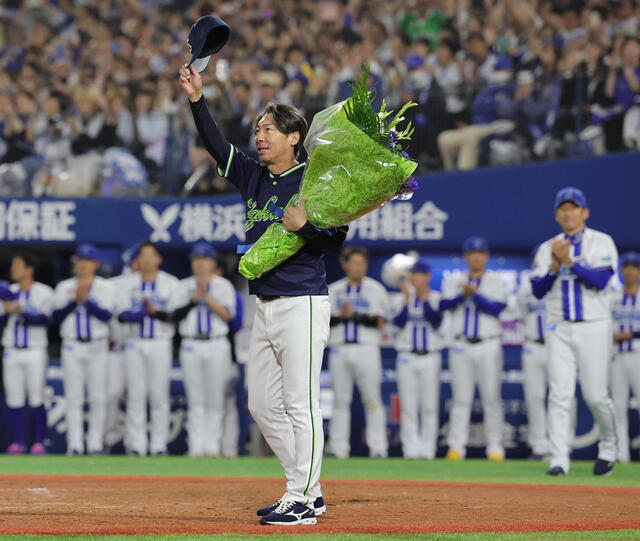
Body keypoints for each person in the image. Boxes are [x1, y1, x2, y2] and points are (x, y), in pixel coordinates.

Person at [179, 62, 347, 526]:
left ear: (295, 137)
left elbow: (336, 239)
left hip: (302, 301)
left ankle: (300, 498)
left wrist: (306, 226)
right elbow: (216, 145)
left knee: (301, 404)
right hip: (265, 305)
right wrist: (197, 99)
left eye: (269, 129)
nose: (259, 136)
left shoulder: (315, 179)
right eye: (257, 129)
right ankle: (308, 488)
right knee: (261, 405)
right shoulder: (254, 176)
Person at [530, 187, 618, 476]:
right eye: (563, 208)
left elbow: (600, 281)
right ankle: (558, 458)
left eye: (573, 208)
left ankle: (608, 447)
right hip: (559, 327)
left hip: (594, 325)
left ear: (584, 212)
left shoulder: (601, 242)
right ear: (557, 215)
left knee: (595, 395)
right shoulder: (547, 248)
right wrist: (554, 267)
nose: (568, 213)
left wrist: (569, 262)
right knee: (559, 394)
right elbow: (538, 290)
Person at [440, 236, 508, 461]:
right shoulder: (454, 280)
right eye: (472, 253)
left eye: (480, 253)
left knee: (491, 398)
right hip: (461, 343)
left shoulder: (496, 281)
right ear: (466, 257)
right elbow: (443, 305)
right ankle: (456, 447)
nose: (476, 257)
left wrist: (475, 295)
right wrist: (463, 295)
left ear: (486, 256)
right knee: (461, 399)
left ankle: (495, 447)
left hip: (488, 343)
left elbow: (497, 309)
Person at [171, 243, 236, 457]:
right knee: (195, 398)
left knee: (215, 397)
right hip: (191, 343)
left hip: (216, 342)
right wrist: (193, 299)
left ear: (213, 263)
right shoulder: (183, 286)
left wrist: (206, 297)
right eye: (196, 259)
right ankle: (196, 446)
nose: (199, 263)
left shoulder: (223, 285)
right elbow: (174, 316)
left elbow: (228, 315)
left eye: (204, 259)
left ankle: (212, 445)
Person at [116, 241, 179, 456]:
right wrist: (144, 311)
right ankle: (137, 445)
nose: (147, 259)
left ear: (159, 259)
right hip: (134, 341)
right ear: (137, 259)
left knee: (159, 395)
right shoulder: (127, 284)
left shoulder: (170, 283)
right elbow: (122, 315)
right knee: (136, 395)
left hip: (160, 341)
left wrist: (154, 312)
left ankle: (159, 445)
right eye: (143, 255)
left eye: (151, 255)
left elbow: (174, 316)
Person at [328, 247, 391, 459]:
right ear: (344, 264)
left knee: (372, 398)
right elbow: (324, 321)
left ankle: (378, 448)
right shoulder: (334, 290)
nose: (358, 267)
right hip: (340, 346)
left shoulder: (375, 289)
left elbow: (380, 321)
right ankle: (339, 449)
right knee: (340, 400)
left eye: (362, 263)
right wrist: (342, 316)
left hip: (366, 346)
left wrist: (354, 315)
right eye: (354, 262)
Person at [52, 244, 114, 455]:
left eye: (87, 261)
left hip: (97, 344)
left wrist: (86, 302)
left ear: (95, 264)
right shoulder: (65, 287)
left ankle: (95, 443)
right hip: (72, 344)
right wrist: (74, 302)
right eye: (80, 260)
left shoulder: (105, 287)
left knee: (98, 396)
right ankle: (75, 445)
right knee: (74, 397)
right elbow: (56, 317)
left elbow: (107, 316)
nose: (83, 264)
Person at [0, 253, 53, 455]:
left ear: (29, 269)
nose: (13, 269)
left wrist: (22, 311)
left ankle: (39, 442)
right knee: (14, 397)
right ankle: (18, 442)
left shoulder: (43, 292)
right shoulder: (8, 291)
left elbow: (46, 319)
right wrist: (7, 312)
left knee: (37, 396)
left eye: (17, 265)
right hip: (11, 349)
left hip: (34, 349)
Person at [392, 258, 443, 459]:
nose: (416, 278)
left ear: (428, 277)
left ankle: (428, 450)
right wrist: (407, 303)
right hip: (406, 356)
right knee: (408, 406)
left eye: (420, 274)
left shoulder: (436, 298)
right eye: (413, 274)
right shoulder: (401, 298)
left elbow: (437, 322)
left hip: (430, 355)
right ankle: (410, 450)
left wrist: (424, 300)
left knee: (429, 406)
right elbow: (397, 324)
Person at [104, 244, 139, 452]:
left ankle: (135, 444)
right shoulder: (112, 285)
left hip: (140, 345)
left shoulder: (158, 283)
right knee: (111, 394)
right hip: (116, 348)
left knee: (138, 397)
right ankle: (106, 440)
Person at [515, 252, 550, 459]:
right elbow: (520, 314)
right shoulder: (525, 286)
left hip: (556, 346)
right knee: (534, 397)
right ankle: (539, 446)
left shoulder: (560, 283)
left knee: (560, 397)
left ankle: (562, 444)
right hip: (533, 344)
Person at [610, 252, 640, 463]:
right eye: (626, 267)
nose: (629, 271)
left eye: (634, 267)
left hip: (638, 353)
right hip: (617, 355)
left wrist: (631, 334)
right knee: (617, 406)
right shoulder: (613, 297)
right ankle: (621, 454)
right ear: (621, 271)